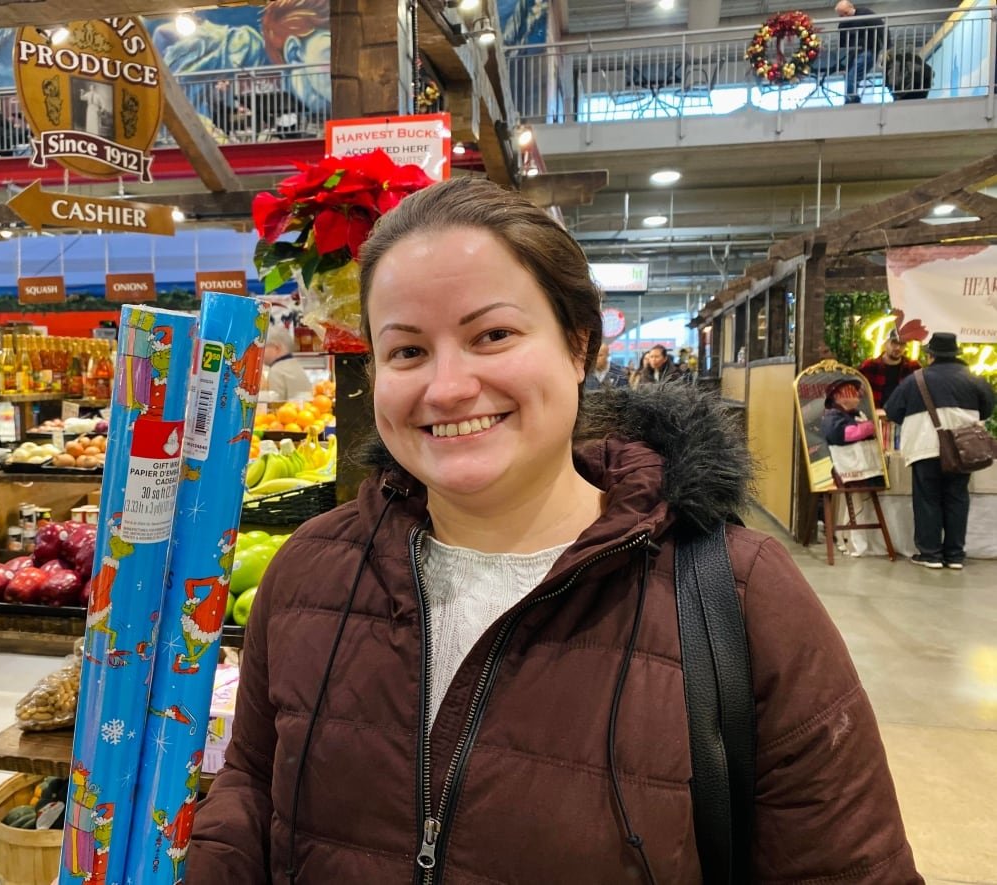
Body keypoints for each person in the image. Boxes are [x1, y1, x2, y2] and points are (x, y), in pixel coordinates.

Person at [188, 178, 919, 882]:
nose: (447, 386)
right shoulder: (309, 571)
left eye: (493, 334)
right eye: (407, 350)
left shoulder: (739, 596)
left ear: (579, 346)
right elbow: (250, 789)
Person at [883, 332, 995, 569]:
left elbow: (892, 411)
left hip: (926, 448)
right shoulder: (973, 379)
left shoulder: (916, 380)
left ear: (931, 356)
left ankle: (930, 554)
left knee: (927, 499)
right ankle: (955, 555)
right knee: (957, 498)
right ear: (956, 355)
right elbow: (987, 409)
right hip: (963, 449)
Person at [821, 377, 884, 487]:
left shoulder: (857, 414)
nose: (856, 392)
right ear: (837, 396)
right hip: (851, 471)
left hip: (868, 470)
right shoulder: (832, 417)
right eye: (850, 389)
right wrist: (870, 426)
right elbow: (843, 434)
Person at [836, 0, 886, 104]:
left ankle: (851, 99)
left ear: (851, 8)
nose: (844, 17)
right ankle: (852, 98)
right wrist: (842, 64)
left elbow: (881, 28)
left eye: (845, 13)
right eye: (841, 16)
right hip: (853, 53)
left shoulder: (865, 14)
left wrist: (887, 47)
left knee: (852, 76)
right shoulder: (843, 25)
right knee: (850, 76)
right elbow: (842, 45)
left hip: (868, 50)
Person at [858, 330, 920, 410]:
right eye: (894, 343)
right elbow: (858, 392)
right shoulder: (870, 366)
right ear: (885, 344)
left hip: (904, 416)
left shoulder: (913, 367)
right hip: (877, 415)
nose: (898, 347)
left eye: (902, 344)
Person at [263, 325, 313, 402]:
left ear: (277, 348)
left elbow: (275, 404)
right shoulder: (295, 365)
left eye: (263, 348)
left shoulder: (277, 370)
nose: (260, 353)